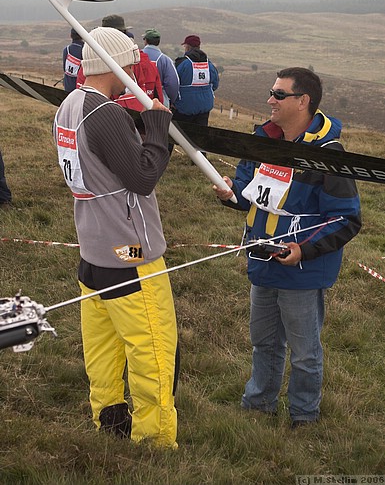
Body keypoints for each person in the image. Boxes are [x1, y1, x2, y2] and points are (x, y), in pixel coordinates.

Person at [213, 67, 361, 427]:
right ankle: (258, 404)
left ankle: (304, 416)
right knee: (263, 343)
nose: (270, 100)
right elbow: (249, 194)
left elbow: (346, 218)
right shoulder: (264, 142)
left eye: (278, 94)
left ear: (303, 101)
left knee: (305, 353)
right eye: (271, 92)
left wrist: (303, 251)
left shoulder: (329, 155)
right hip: (262, 262)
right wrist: (231, 193)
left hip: (302, 271)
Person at [53, 26, 178, 448]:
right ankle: (155, 439)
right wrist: (157, 128)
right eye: (130, 61)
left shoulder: (69, 104)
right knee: (153, 349)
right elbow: (143, 177)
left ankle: (108, 417)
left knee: (103, 347)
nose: (134, 69)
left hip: (93, 250)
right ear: (115, 63)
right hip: (130, 254)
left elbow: (108, 164)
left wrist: (144, 132)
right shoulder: (103, 113)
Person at [173, 35, 219, 127]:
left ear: (188, 47)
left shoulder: (182, 64)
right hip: (205, 108)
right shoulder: (209, 64)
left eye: (185, 46)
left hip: (184, 108)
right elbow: (215, 84)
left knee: (176, 134)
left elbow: (173, 84)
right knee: (199, 137)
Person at [142, 28, 180, 108]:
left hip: (138, 99)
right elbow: (172, 84)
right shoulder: (165, 60)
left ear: (146, 41)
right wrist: (169, 100)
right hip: (160, 102)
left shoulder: (136, 56)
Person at [63, 28, 84, 92]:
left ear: (71, 35)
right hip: (80, 86)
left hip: (68, 85)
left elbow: (65, 68)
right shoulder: (84, 49)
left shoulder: (67, 49)